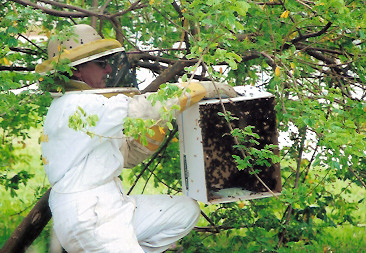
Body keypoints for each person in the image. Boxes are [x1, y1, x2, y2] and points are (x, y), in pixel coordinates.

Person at [36, 24, 236, 253]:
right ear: (77, 70)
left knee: (185, 211)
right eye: (101, 64)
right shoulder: (77, 106)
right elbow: (141, 108)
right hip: (90, 216)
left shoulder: (93, 111)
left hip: (110, 204)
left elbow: (127, 155)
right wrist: (198, 89)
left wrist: (158, 127)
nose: (109, 70)